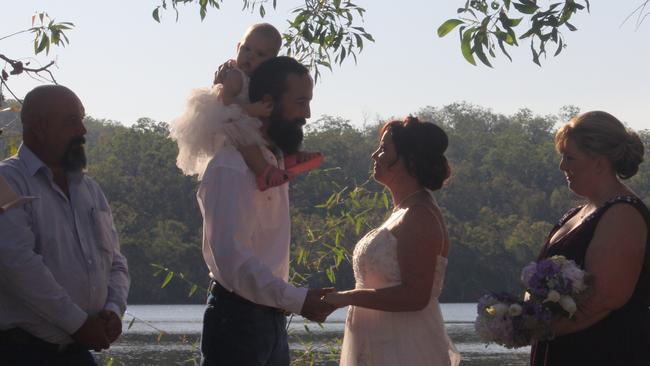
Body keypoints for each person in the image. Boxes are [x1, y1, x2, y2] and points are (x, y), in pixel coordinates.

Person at [197, 56, 335, 366]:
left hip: (269, 319)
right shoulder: (231, 166)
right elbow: (232, 260)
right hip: (236, 321)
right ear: (268, 103)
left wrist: (288, 301)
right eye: (300, 102)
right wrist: (297, 299)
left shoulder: (272, 162)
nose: (308, 114)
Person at [0, 85, 130, 366]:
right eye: (71, 122)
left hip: (75, 353)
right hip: (21, 354)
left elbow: (116, 262)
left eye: (82, 119)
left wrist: (113, 311)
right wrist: (79, 324)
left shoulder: (90, 190)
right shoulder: (6, 181)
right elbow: (17, 264)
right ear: (38, 128)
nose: (83, 130)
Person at [323, 116, 460, 366]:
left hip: (404, 347)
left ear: (410, 159)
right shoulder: (403, 211)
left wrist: (348, 297)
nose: (375, 155)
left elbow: (415, 296)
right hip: (379, 341)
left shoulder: (420, 215)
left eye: (384, 148)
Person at [530, 111, 650, 366]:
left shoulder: (623, 215)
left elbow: (604, 299)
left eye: (570, 157)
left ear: (600, 162)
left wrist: (538, 328)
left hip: (601, 352)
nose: (562, 166)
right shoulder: (574, 214)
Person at [171, 23, 322, 190]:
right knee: (246, 140)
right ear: (238, 47)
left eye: (260, 54)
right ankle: (264, 172)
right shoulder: (235, 75)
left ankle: (287, 156)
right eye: (246, 49)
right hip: (229, 120)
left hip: (243, 118)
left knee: (279, 122)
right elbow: (225, 102)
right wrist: (252, 109)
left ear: (270, 61)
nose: (250, 56)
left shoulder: (258, 79)